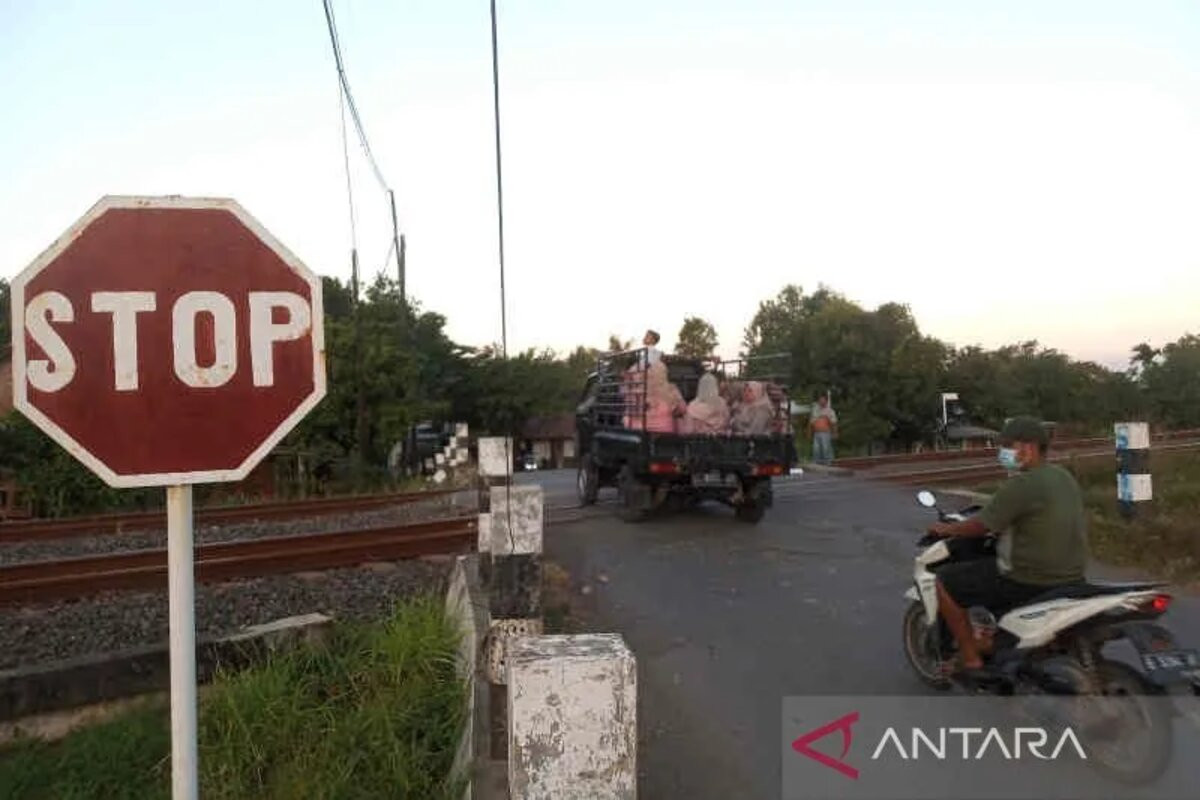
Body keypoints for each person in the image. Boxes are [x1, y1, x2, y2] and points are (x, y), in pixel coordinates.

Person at [926, 416, 1088, 679]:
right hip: (1073, 576)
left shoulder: (1022, 484)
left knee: (945, 582)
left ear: (1028, 447)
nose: (1003, 452)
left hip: (1029, 579)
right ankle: (998, 638)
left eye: (1007, 445)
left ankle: (970, 659)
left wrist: (946, 529)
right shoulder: (1063, 477)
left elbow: (981, 526)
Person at [809, 392, 838, 464]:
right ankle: (817, 462)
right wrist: (809, 432)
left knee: (826, 448)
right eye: (820, 400)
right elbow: (811, 422)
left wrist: (835, 432)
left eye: (823, 400)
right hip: (816, 432)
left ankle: (828, 462)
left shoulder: (830, 411)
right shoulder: (815, 410)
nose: (821, 401)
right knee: (816, 449)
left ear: (826, 401)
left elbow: (834, 423)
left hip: (825, 432)